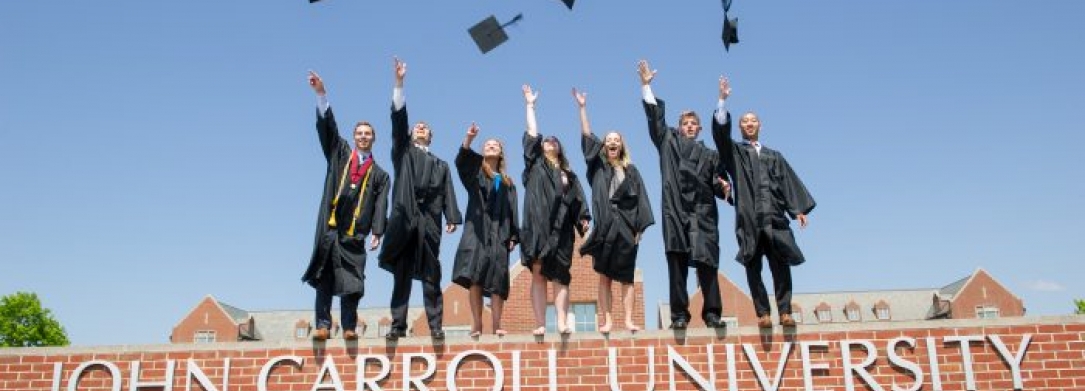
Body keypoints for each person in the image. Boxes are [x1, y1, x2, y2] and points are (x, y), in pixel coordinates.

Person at [711, 76, 816, 328]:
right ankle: (762, 313)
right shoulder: (735, 153)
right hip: (749, 217)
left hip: (774, 217)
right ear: (739, 127)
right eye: (744, 121)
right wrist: (722, 101)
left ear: (760, 125)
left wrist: (797, 210)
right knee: (753, 266)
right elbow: (720, 135)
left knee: (780, 265)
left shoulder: (773, 156)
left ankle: (785, 311)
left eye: (753, 120)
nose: (749, 124)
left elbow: (786, 184)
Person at [638, 60, 731, 330]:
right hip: (675, 209)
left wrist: (724, 187)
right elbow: (655, 119)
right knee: (676, 261)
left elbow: (719, 180)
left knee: (707, 262)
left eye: (694, 124)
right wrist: (646, 86)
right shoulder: (668, 142)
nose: (689, 127)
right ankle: (679, 315)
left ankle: (712, 313)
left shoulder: (709, 155)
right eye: (685, 123)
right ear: (679, 127)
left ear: (699, 129)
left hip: (702, 211)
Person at [301, 70, 391, 341]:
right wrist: (321, 94)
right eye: (359, 133)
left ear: (373, 139)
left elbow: (381, 203)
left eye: (368, 134)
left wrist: (378, 231)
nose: (363, 137)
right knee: (325, 276)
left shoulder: (380, 174)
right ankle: (323, 325)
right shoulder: (339, 153)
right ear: (353, 137)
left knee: (353, 279)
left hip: (355, 233)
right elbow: (329, 129)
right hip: (330, 228)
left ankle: (349, 326)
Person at [377, 58, 462, 340]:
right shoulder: (403, 154)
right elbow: (398, 121)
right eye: (418, 126)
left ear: (431, 136)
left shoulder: (441, 165)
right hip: (405, 218)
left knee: (431, 275)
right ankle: (398, 326)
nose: (421, 128)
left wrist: (452, 216)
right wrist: (399, 83)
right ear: (412, 134)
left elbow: (448, 190)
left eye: (426, 127)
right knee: (401, 275)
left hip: (430, 222)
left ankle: (436, 326)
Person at [572, 88, 654, 334]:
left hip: (627, 227)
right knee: (605, 276)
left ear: (622, 145)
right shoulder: (598, 167)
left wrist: (639, 229)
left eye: (616, 140)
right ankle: (606, 320)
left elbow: (642, 200)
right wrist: (582, 108)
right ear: (604, 146)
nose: (612, 142)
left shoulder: (632, 171)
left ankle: (628, 319)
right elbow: (587, 136)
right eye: (609, 140)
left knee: (627, 277)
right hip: (605, 227)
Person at [520, 84, 591, 336]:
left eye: (554, 141)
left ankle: (561, 321)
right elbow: (531, 133)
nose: (548, 141)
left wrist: (583, 219)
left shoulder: (568, 175)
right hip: (537, 224)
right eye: (545, 141)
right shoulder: (535, 165)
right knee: (538, 273)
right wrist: (530, 105)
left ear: (560, 149)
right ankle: (540, 322)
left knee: (560, 274)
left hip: (561, 229)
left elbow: (579, 200)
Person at [451, 122, 519, 337]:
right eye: (487, 144)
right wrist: (469, 139)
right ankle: (477, 324)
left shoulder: (508, 182)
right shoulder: (475, 174)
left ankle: (497, 324)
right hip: (477, 230)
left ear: (501, 153)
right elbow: (461, 161)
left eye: (495, 145)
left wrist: (514, 235)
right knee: (475, 276)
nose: (491, 146)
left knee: (498, 277)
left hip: (500, 232)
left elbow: (513, 211)